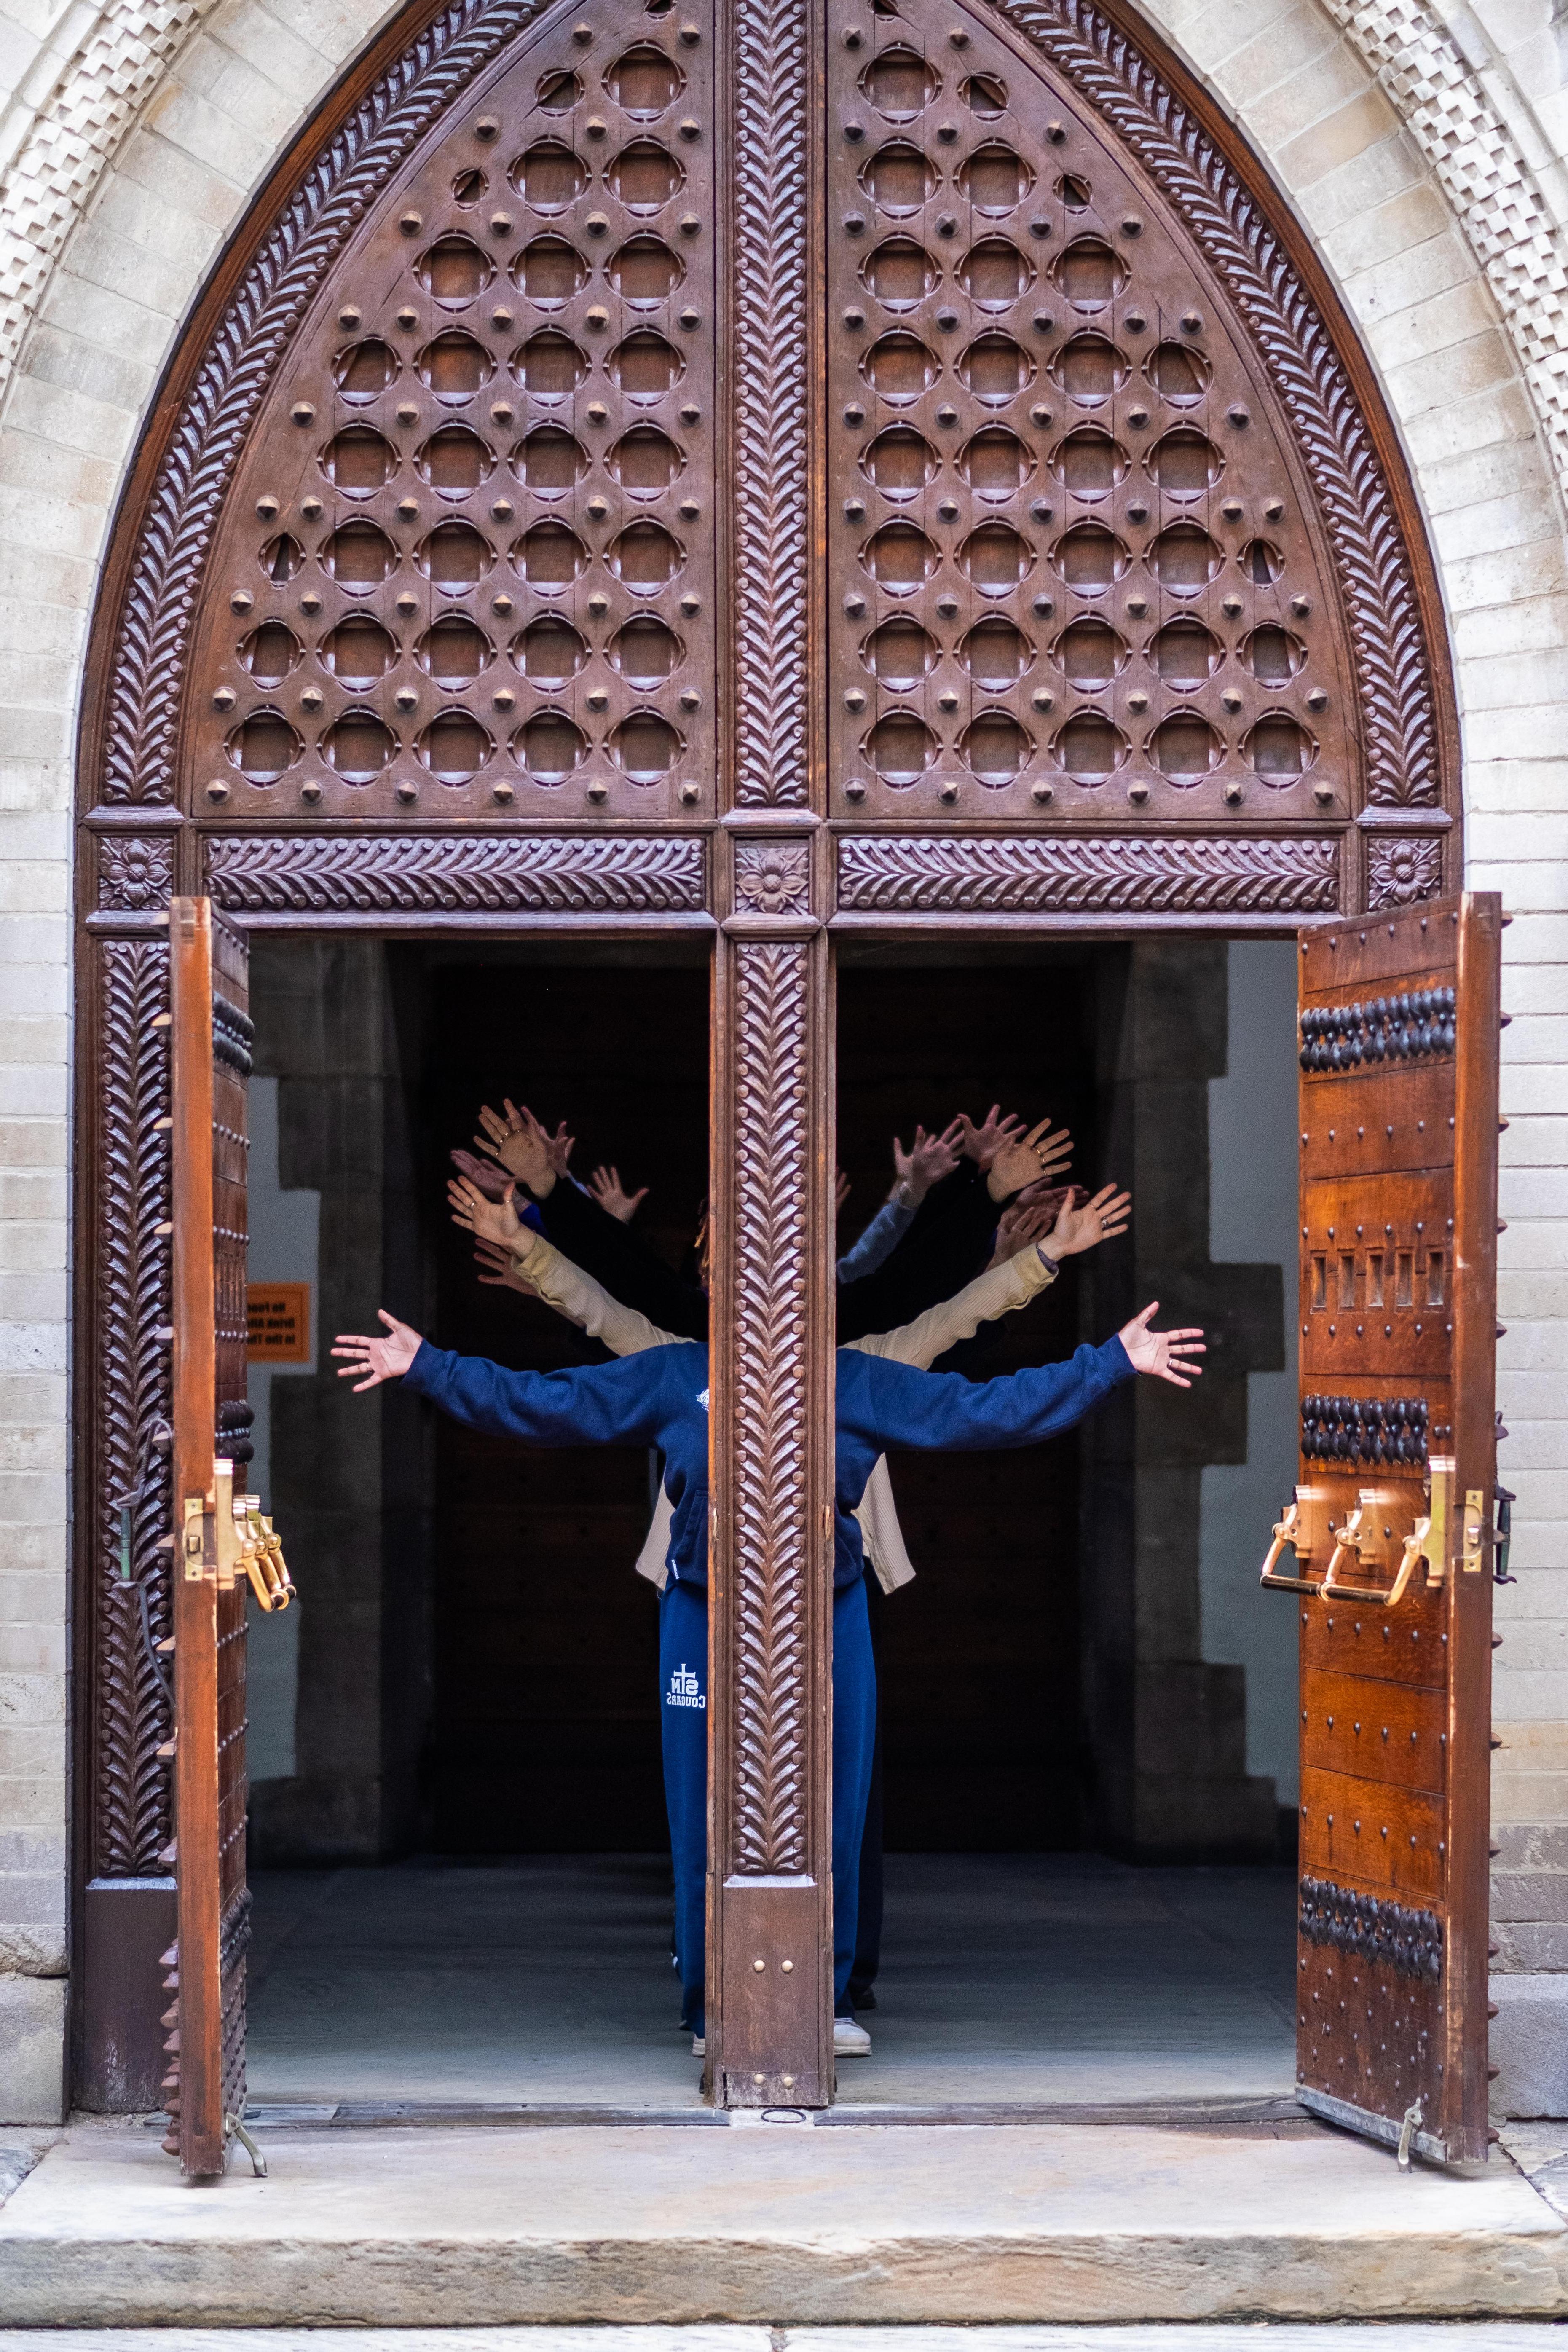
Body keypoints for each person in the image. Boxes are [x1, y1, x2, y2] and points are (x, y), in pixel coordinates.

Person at [334, 1270, 1201, 2057]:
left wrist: (1111, 1362)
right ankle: (714, 2006)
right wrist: (428, 1367)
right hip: (701, 1612)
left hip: (830, 1611)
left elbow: (979, 1410)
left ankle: (825, 2000)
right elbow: (547, 1403)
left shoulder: (851, 1380)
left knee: (836, 1798)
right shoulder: (676, 1376)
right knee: (699, 1802)